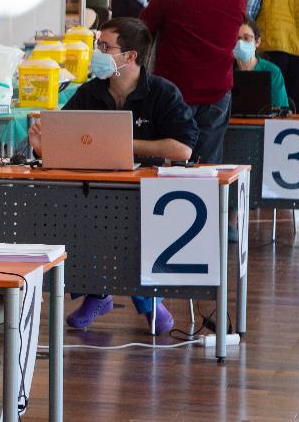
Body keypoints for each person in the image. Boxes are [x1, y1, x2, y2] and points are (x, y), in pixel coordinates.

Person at [28, 17, 197, 334]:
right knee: (74, 217)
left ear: (130, 56)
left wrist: (127, 144)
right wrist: (41, 147)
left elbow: (183, 149)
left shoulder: (162, 93)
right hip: (93, 191)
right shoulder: (89, 93)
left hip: (148, 194)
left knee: (129, 228)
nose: (98, 52)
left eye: (106, 47)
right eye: (98, 45)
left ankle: (147, 301)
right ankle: (97, 293)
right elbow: (64, 143)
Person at [142, 0, 246, 162]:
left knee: (168, 161)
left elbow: (143, 28)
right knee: (206, 166)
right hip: (217, 92)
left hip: (173, 90)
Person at [235, 19, 290, 110]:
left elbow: (281, 110)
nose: (240, 43)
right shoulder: (225, 70)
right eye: (237, 38)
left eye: (246, 38)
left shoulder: (272, 71)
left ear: (257, 42)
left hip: (263, 123)